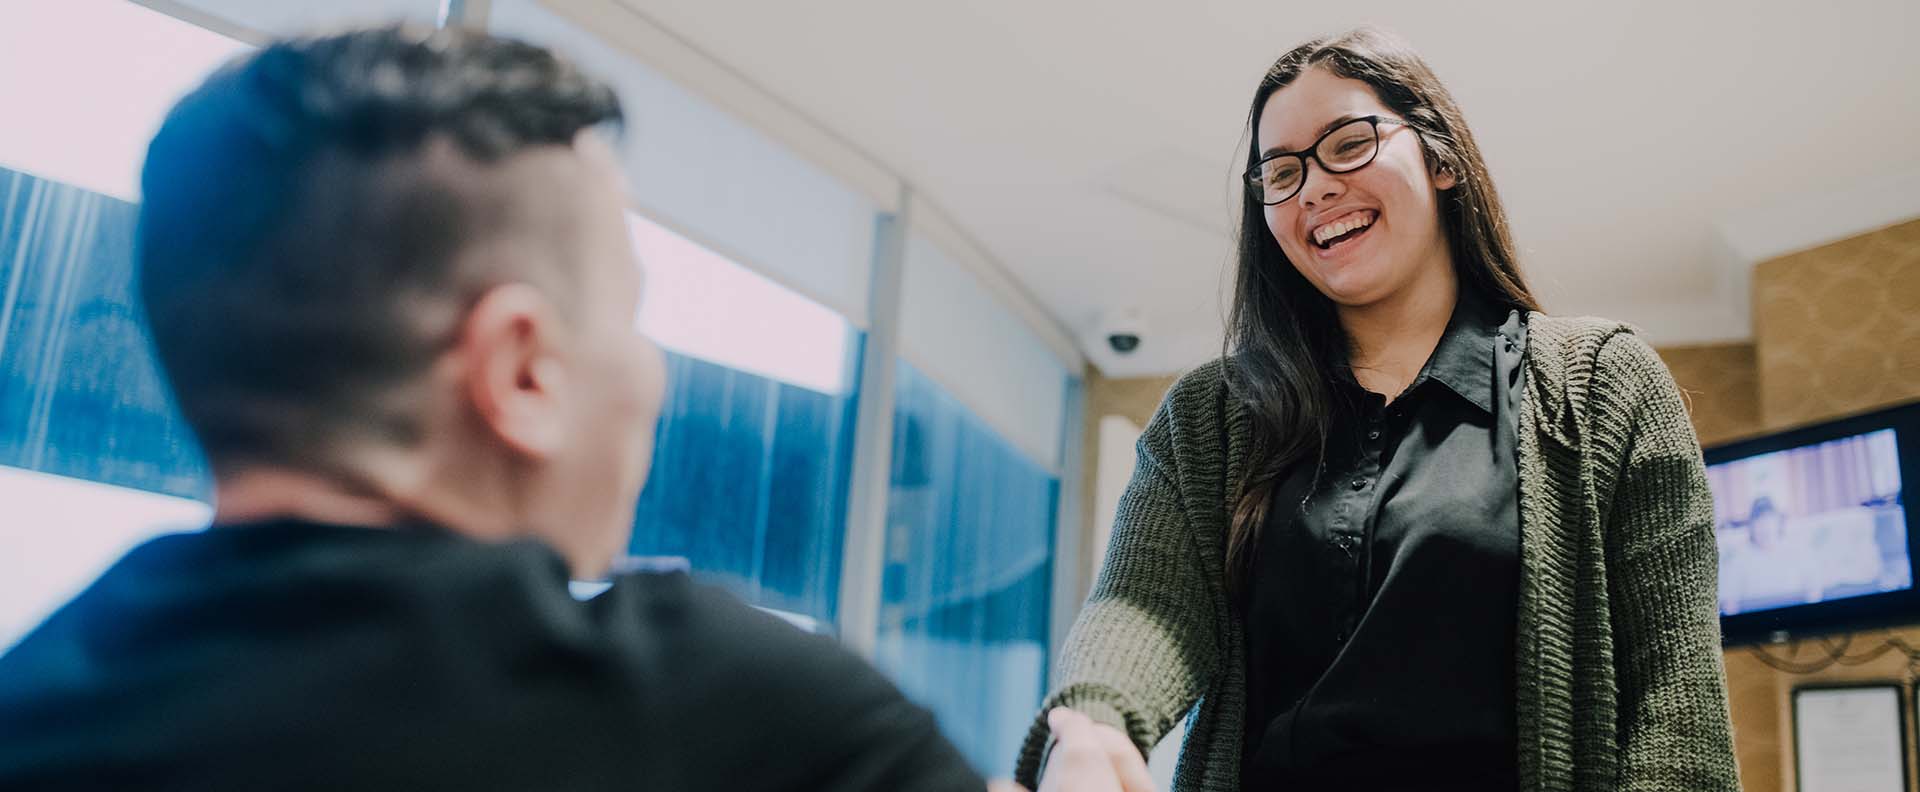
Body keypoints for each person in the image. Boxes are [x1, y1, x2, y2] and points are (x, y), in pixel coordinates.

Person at [0, 25, 1124, 792]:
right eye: (629, 318)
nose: (650, 376)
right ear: (523, 371)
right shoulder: (729, 712)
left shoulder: (37, 707)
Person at [1016, 27, 1739, 792]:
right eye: (1281, 172)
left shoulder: (1601, 386)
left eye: (1348, 144)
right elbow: (1141, 610)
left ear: (1442, 158)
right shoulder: (1211, 416)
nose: (1315, 188)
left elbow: (1677, 711)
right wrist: (1088, 734)